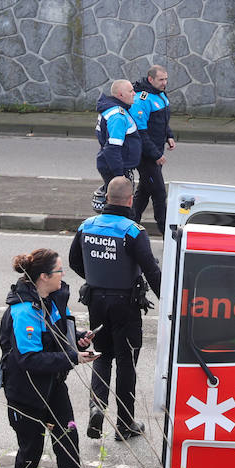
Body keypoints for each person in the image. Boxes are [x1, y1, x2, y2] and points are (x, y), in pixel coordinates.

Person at [0, 247, 119, 468]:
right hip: (25, 390)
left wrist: (77, 338)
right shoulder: (23, 311)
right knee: (31, 451)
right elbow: (29, 358)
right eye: (59, 271)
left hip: (53, 385)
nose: (63, 275)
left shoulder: (50, 300)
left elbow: (55, 335)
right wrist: (74, 357)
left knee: (68, 442)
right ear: (43, 276)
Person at [68, 176, 162, 441]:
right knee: (126, 361)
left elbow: (75, 260)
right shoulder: (133, 231)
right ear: (131, 200)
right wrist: (170, 300)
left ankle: (97, 406)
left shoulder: (87, 226)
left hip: (96, 300)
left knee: (102, 354)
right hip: (125, 304)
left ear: (106, 198)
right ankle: (125, 423)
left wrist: (96, 278)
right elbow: (152, 271)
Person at [128, 65, 175, 230]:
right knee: (159, 193)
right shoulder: (142, 99)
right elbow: (140, 132)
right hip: (145, 156)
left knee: (144, 192)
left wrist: (169, 135)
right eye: (161, 80)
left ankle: (130, 229)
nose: (165, 83)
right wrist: (155, 154)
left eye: (166, 79)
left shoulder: (160, 94)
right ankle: (167, 233)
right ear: (150, 79)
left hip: (155, 152)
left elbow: (162, 120)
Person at [95, 79, 140, 186]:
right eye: (130, 91)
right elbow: (112, 148)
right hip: (117, 168)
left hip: (114, 165)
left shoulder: (113, 109)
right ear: (121, 95)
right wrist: (119, 175)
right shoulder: (118, 116)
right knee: (119, 200)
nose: (134, 94)